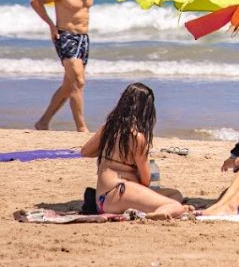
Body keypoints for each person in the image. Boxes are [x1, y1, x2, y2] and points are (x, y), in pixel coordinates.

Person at [80, 82, 193, 218]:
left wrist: (111, 150)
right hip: (120, 190)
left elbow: (85, 151)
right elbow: (145, 180)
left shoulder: (108, 128)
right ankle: (155, 214)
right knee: (175, 206)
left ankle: (156, 209)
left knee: (175, 195)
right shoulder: (137, 138)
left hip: (102, 198)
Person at [31, 0, 99, 131]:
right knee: (78, 81)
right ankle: (82, 128)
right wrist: (51, 26)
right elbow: (36, 1)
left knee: (69, 85)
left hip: (83, 38)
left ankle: (43, 122)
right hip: (66, 36)